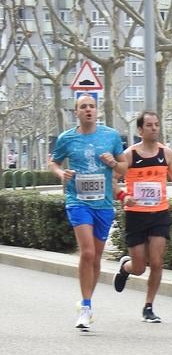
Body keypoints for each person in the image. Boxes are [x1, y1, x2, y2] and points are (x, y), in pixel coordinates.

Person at [47, 94, 123, 331]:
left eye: (91, 106)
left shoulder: (111, 136)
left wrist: (113, 164)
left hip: (103, 204)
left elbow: (124, 167)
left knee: (97, 257)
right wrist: (61, 174)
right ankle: (86, 306)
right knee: (87, 252)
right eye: (83, 107)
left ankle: (88, 300)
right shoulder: (66, 138)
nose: (88, 110)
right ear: (76, 112)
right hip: (77, 201)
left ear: (96, 111)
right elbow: (53, 162)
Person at [112, 111, 172, 323]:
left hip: (159, 214)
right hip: (136, 215)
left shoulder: (167, 153)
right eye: (149, 125)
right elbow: (113, 180)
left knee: (156, 261)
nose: (154, 128)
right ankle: (126, 267)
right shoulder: (129, 155)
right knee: (139, 267)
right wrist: (123, 195)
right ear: (140, 130)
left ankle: (148, 306)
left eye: (156, 124)